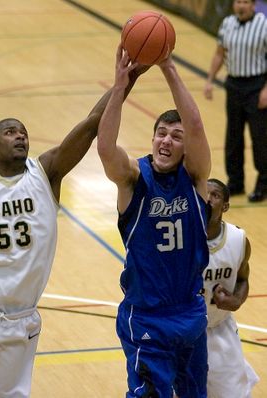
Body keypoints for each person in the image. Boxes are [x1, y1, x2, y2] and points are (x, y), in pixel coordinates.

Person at [0, 65, 145, 397]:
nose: (20, 135)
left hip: (16, 324)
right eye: (9, 132)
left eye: (22, 131)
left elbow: (93, 123)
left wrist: (126, 81)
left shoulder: (44, 173)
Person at [97, 44, 211, 397]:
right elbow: (105, 148)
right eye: (161, 132)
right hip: (146, 316)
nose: (167, 140)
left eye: (176, 137)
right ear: (152, 138)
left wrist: (168, 66)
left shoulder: (195, 179)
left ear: (185, 147)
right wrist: (119, 89)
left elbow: (195, 125)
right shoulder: (134, 178)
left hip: (191, 312)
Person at [174, 178, 259, 397]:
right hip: (182, 331)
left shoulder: (238, 239)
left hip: (218, 329)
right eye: (204, 193)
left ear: (226, 206)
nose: (208, 199)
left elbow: (242, 279)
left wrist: (237, 300)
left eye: (215, 196)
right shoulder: (177, 237)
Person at [204, 0, 267, 202]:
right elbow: (219, 54)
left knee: (260, 137)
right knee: (233, 136)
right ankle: (236, 181)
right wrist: (210, 80)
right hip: (234, 85)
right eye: (238, 1)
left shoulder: (263, 25)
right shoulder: (227, 23)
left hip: (256, 85)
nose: (241, 6)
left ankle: (263, 183)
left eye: (245, 2)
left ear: (253, 5)